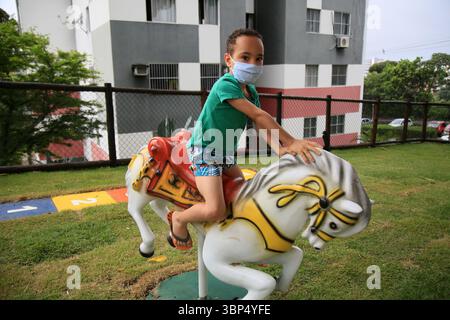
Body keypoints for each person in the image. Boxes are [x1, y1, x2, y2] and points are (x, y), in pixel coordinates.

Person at [166, 28, 322, 250]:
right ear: (229, 60)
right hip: (205, 152)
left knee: (245, 195)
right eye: (245, 57)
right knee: (215, 209)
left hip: (224, 153)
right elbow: (259, 115)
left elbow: (259, 124)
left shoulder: (250, 90)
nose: (254, 64)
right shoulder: (225, 85)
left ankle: (237, 241)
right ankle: (179, 220)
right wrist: (291, 141)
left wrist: (278, 150)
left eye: (258, 58)